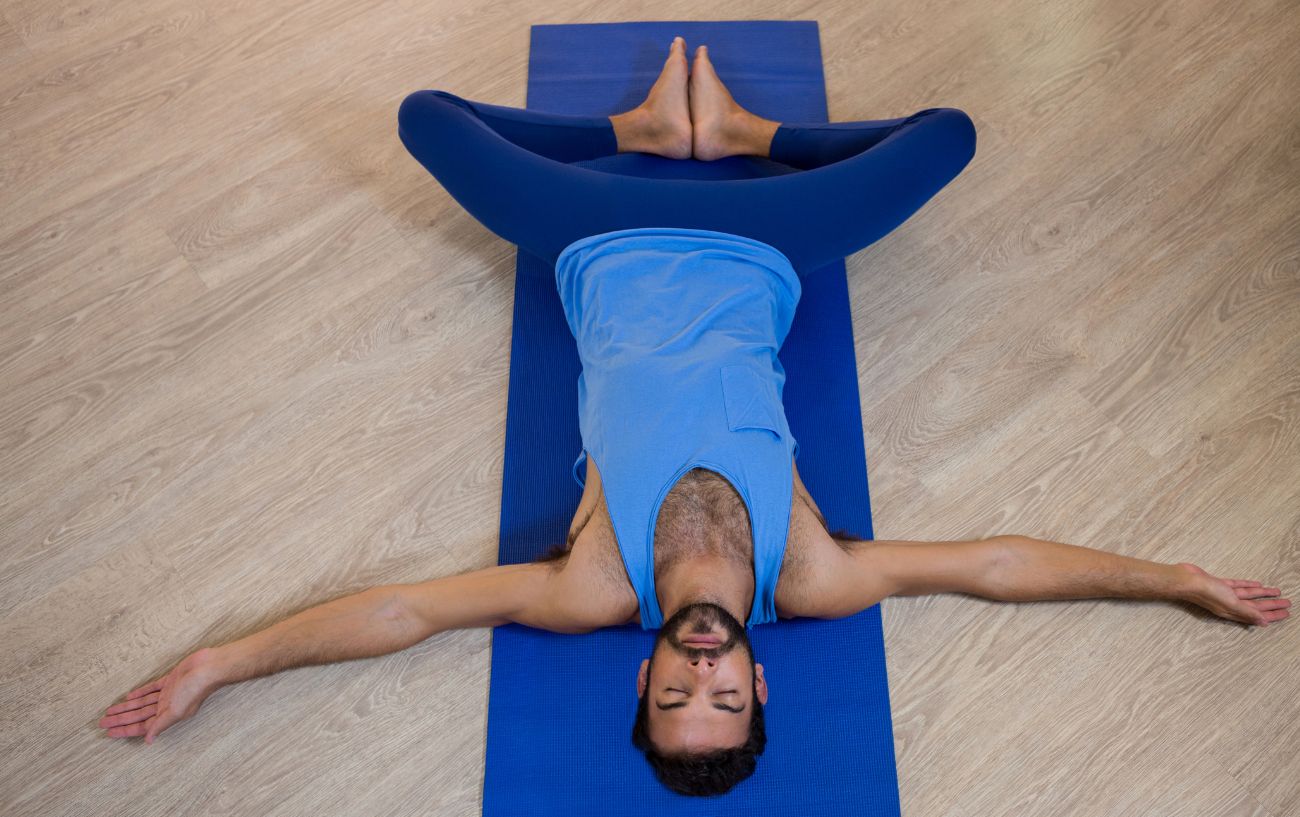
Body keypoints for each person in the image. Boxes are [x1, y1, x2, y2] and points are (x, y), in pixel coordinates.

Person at [99, 37, 1291, 797]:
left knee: (424, 117)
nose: (701, 674)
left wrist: (226, 662)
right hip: (770, 253)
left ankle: (641, 137)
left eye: (675, 697)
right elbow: (992, 563)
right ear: (762, 685)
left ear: (646, 683)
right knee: (950, 137)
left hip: (592, 242)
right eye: (722, 698)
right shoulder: (814, 574)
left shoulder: (590, 590)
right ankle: (741, 139)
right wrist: (1168, 576)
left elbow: (407, 610)